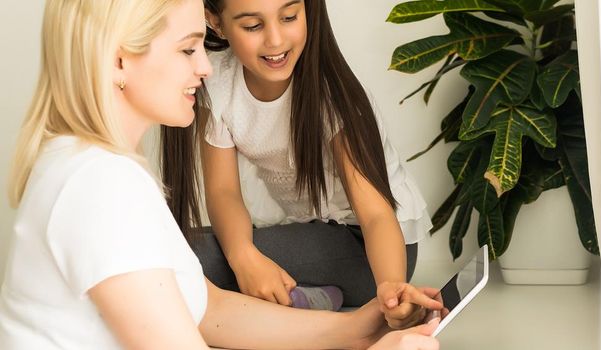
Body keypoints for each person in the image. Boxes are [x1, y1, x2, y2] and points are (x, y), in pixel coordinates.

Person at [0, 0, 440, 348]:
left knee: (201, 264)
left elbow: (206, 308)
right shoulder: (102, 186)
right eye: (187, 48)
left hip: (357, 240)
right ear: (118, 61)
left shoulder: (97, 171)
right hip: (314, 236)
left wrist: (357, 332)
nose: (207, 67)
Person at [159, 0, 434, 317]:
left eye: (289, 17)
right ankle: (312, 298)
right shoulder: (217, 78)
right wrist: (244, 255)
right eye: (253, 26)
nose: (275, 40)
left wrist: (391, 288)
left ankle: (318, 293)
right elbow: (224, 192)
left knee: (191, 257)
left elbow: (375, 215)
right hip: (310, 229)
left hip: (374, 251)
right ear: (216, 22)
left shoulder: (332, 97)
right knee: (175, 241)